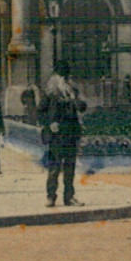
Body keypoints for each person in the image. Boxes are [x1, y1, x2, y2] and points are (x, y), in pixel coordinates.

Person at [38, 60, 88, 207]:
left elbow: (82, 108)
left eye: (66, 76)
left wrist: (74, 98)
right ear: (55, 77)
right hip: (56, 135)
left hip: (71, 133)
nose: (64, 79)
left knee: (70, 167)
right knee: (54, 168)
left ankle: (69, 197)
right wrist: (49, 123)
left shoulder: (73, 91)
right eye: (61, 76)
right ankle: (51, 197)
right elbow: (40, 112)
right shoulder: (49, 93)